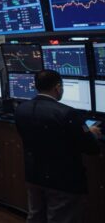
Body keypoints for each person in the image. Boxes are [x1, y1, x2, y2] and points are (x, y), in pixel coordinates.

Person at [15, 70, 101, 223]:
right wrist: (91, 133)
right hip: (63, 180)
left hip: (34, 175)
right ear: (58, 87)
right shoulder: (68, 113)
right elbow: (91, 148)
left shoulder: (22, 109)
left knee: (36, 216)